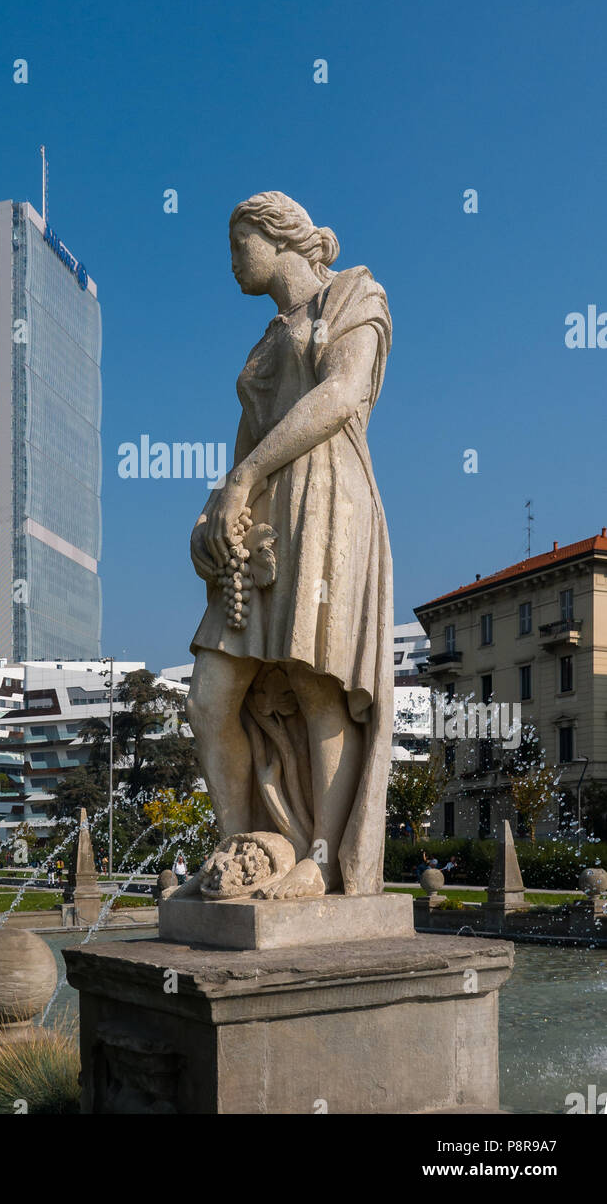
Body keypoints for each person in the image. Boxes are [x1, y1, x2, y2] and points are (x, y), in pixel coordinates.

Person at [186, 193, 393, 898]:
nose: (231, 261)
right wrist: (220, 510)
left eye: (237, 243)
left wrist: (244, 476)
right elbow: (244, 449)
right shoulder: (265, 341)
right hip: (268, 509)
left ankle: (324, 859)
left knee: (317, 682)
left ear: (276, 239)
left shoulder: (354, 293)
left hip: (329, 497)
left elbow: (340, 395)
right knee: (210, 696)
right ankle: (236, 856)